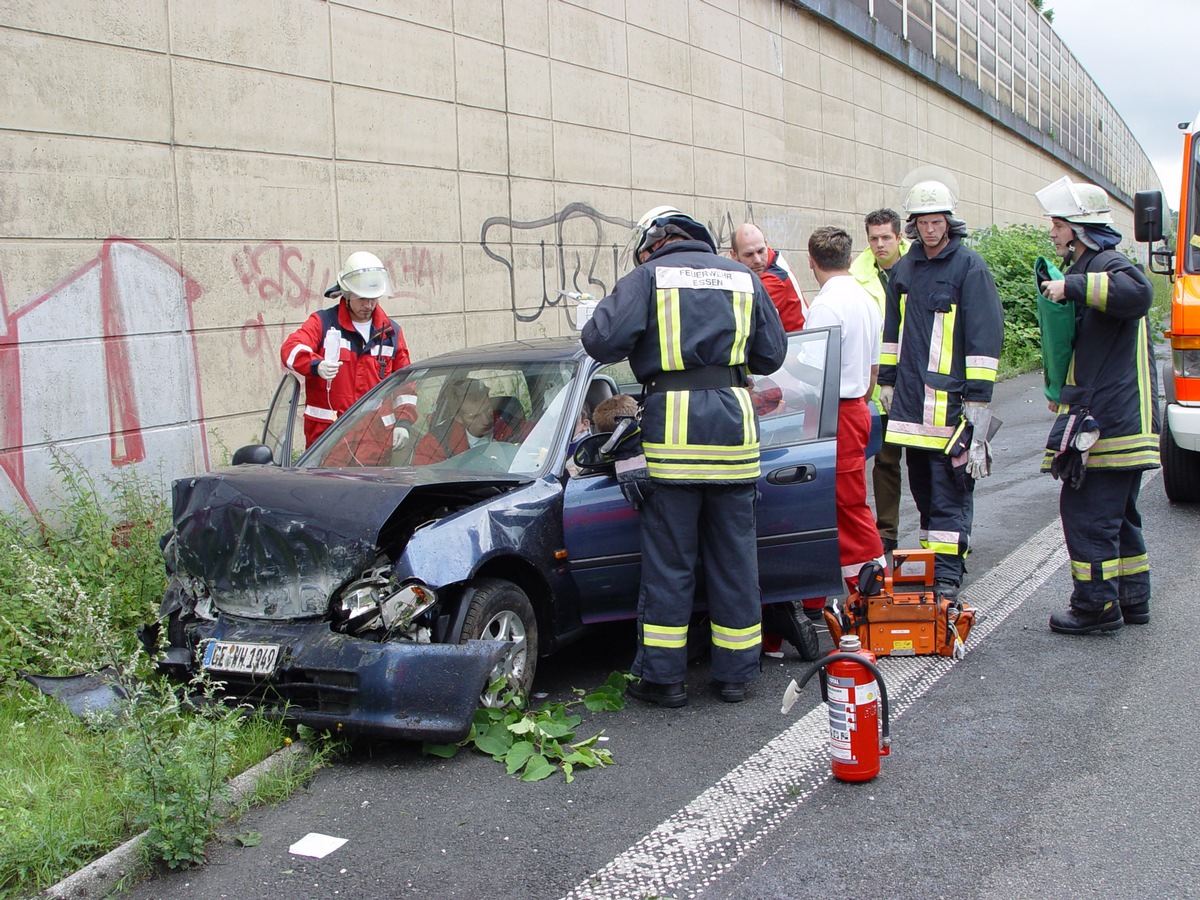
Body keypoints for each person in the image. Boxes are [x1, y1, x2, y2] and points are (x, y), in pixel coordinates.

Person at [582, 206, 786, 706]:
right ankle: (736, 675)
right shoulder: (744, 276)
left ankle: (664, 680)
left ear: (652, 241)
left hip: (673, 438)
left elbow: (599, 341)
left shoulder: (648, 276)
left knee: (671, 565)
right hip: (734, 436)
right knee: (736, 561)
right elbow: (772, 355)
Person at [1034, 176, 1159, 634]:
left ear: (1077, 229)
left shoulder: (1107, 264)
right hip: (1120, 415)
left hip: (1110, 421)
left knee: (1085, 514)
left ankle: (1095, 608)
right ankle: (1133, 598)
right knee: (1118, 515)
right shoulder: (1101, 264)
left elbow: (1139, 294)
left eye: (1057, 225)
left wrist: (1073, 286)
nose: (1052, 233)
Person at [877, 181, 1003, 597]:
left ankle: (948, 573)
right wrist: (887, 382)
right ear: (912, 225)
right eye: (923, 222)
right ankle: (935, 567)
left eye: (937, 222)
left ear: (949, 222)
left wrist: (979, 400)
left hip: (950, 407)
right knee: (925, 492)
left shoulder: (969, 267)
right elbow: (892, 334)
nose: (930, 230)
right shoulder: (905, 270)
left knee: (950, 490)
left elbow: (985, 339)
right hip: (913, 408)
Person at [805, 226, 887, 591]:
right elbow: (872, 371)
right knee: (848, 501)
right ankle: (859, 587)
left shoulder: (825, 306)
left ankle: (869, 590)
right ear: (850, 258)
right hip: (857, 408)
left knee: (846, 506)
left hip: (832, 413)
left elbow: (811, 372)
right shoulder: (866, 299)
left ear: (811, 262)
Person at [281, 251, 412, 448]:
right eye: (362, 299)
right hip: (327, 441)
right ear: (347, 294)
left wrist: (404, 422)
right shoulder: (323, 324)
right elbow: (290, 349)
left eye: (374, 299)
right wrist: (315, 365)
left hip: (375, 443)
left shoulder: (390, 333)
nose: (368, 305)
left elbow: (405, 385)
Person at [850, 208, 910, 554]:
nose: (879, 244)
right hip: (879, 382)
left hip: (916, 376)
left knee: (923, 462)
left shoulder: (916, 268)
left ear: (899, 237)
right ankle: (887, 531)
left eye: (886, 237)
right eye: (873, 238)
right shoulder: (859, 277)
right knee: (885, 461)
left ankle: (942, 529)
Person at [730, 223, 808, 331]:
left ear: (766, 244)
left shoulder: (774, 281)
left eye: (761, 251)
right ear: (734, 255)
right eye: (749, 254)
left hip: (796, 344)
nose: (757, 260)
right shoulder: (773, 260)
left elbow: (736, 318)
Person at [412, 377, 494, 465]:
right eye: (474, 417)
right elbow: (425, 475)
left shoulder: (508, 424)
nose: (486, 421)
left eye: (488, 410)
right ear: (458, 417)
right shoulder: (436, 444)